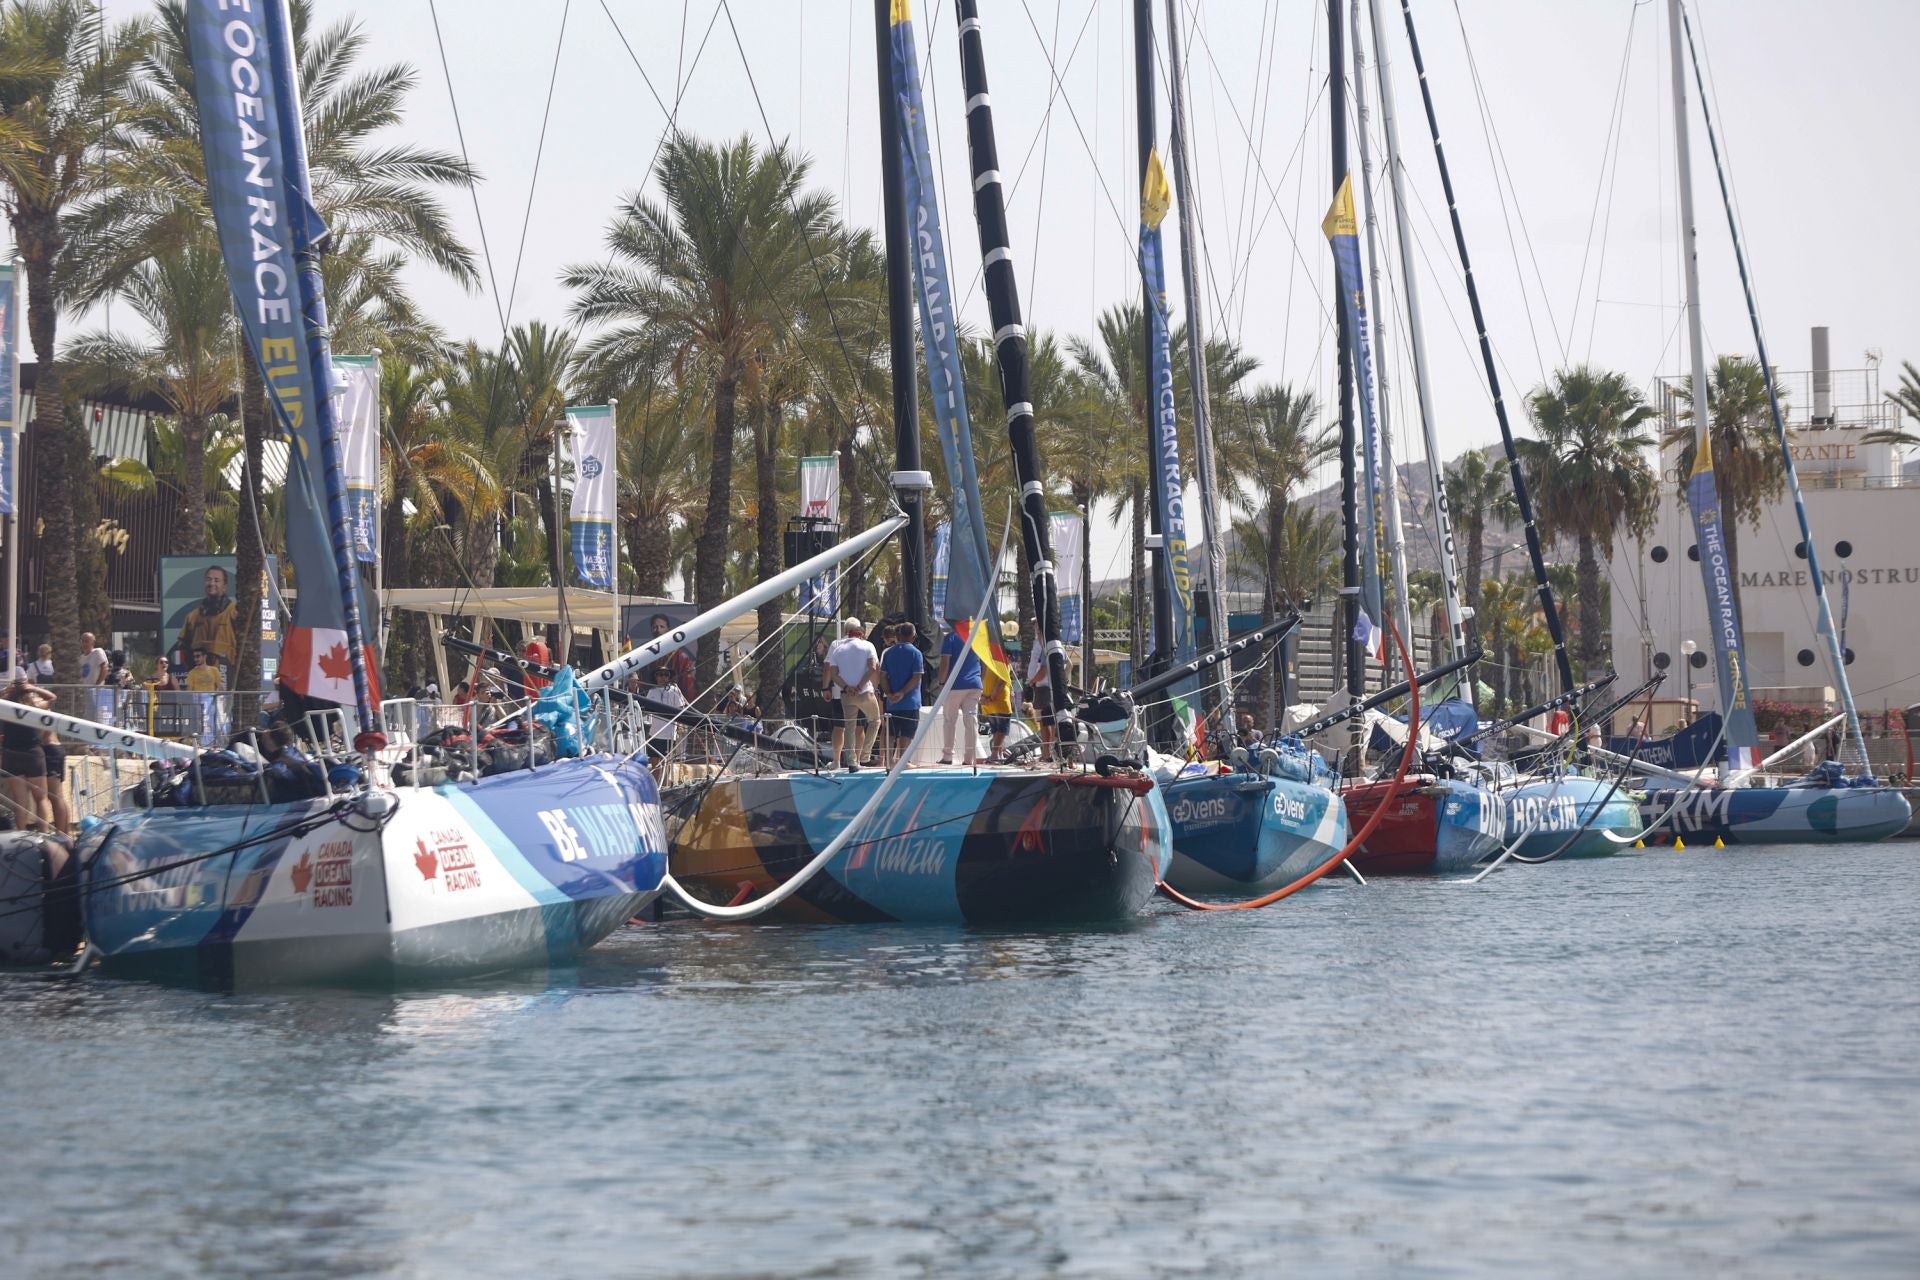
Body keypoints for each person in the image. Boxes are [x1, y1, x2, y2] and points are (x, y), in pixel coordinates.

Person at [824, 618, 882, 770]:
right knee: (875, 721)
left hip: (846, 695)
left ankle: (851, 762)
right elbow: (872, 668)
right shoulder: (868, 646)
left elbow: (833, 673)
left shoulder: (838, 649)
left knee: (849, 727)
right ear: (861, 633)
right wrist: (860, 686)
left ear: (847, 633)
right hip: (865, 693)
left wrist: (847, 687)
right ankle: (865, 756)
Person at [2, 677, 53, 832]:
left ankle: (21, 834)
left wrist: (6, 691)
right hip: (33, 753)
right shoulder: (35, 706)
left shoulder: (5, 707)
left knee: (20, 801)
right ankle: (44, 834)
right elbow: (52, 698)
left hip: (12, 753)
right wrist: (34, 689)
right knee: (41, 798)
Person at [172, 565, 240, 679]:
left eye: (217, 580)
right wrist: (193, 665)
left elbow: (245, 644)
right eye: (208, 579)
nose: (212, 583)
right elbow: (183, 644)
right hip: (199, 680)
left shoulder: (234, 612)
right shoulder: (192, 616)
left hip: (226, 678)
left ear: (225, 586)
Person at [935, 621, 984, 766]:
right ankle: (970, 758)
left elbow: (945, 662)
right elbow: (984, 663)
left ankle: (948, 756)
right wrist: (981, 679)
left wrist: (942, 683)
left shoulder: (950, 638)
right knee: (971, 721)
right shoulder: (976, 637)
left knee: (950, 721)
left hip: (954, 685)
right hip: (974, 684)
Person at [878, 622, 925, 766]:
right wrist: (902, 692)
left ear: (898, 635)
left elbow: (883, 676)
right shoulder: (916, 653)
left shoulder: (889, 653)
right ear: (913, 636)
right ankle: (904, 761)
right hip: (910, 701)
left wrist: (889, 694)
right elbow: (917, 676)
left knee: (891, 732)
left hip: (892, 702)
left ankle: (889, 762)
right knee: (907, 732)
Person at [646, 613, 696, 701]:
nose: (658, 630)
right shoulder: (645, 655)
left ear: (668, 629)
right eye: (655, 627)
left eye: (662, 627)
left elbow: (688, 687)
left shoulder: (681, 657)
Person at [184, 648, 227, 746]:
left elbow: (219, 686)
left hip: (211, 702)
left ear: (204, 656)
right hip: (198, 702)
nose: (196, 659)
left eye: (198, 656)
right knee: (201, 725)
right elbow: (189, 690)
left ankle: (213, 744)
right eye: (194, 657)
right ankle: (202, 744)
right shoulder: (192, 673)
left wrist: (225, 696)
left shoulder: (214, 670)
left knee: (213, 724)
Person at [1025, 645, 1056, 763]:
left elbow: (1043, 670)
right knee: (1046, 722)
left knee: (1046, 722)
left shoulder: (1046, 648)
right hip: (1043, 688)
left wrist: (1032, 681)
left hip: (1044, 689)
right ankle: (1048, 753)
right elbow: (1069, 665)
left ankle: (1048, 753)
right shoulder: (1056, 647)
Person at [79, 632, 111, 724]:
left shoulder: (98, 652)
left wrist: (97, 685)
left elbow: (104, 667)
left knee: (97, 717)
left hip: (96, 691)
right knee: (87, 716)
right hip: (85, 692)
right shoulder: (81, 658)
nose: (85, 644)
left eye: (87, 641)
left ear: (93, 642)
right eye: (83, 641)